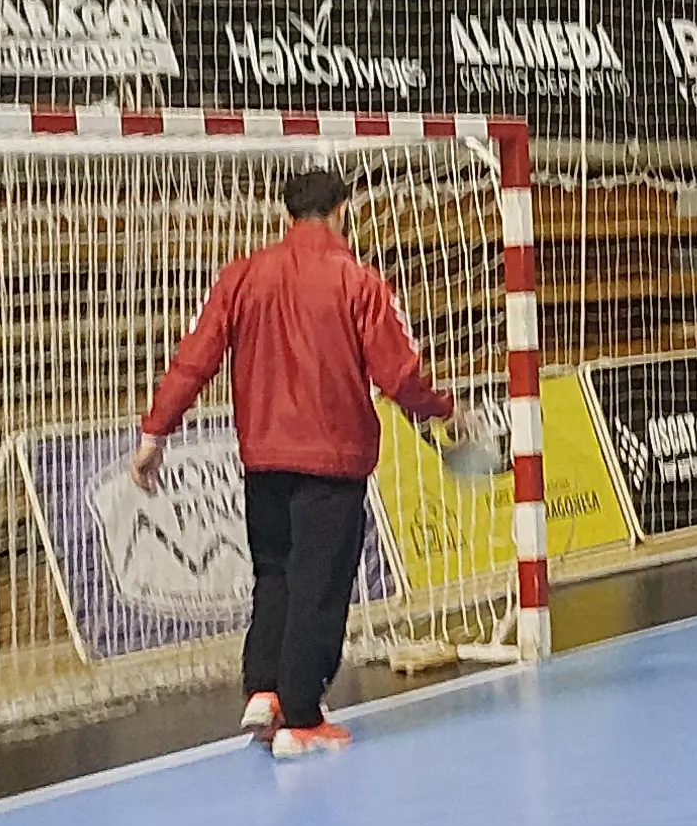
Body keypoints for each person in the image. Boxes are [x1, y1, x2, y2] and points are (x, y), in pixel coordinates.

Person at [131, 164, 471, 756]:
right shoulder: (360, 282)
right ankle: (303, 717)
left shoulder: (241, 276)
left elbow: (194, 358)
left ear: (285, 215)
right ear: (344, 210)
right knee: (320, 585)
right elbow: (397, 374)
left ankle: (264, 690)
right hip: (332, 460)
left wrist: (155, 432)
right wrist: (443, 409)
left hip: (262, 458)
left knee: (276, 575)